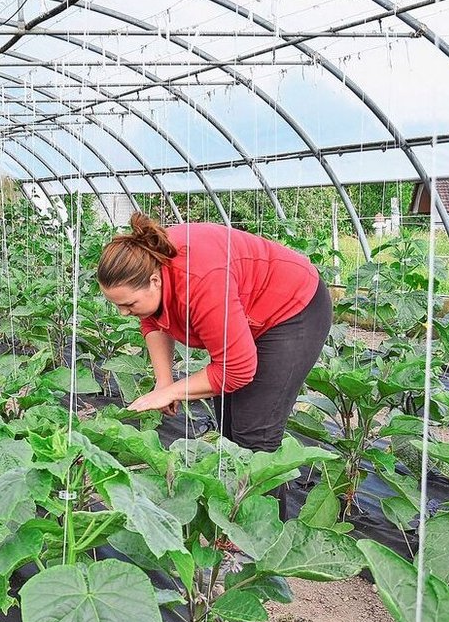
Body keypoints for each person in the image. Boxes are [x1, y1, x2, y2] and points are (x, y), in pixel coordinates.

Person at [96, 212, 333, 514]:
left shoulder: (200, 280)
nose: (124, 314)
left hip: (291, 308)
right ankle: (231, 522)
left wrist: (171, 393)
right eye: (117, 305)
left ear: (155, 280)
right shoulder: (149, 264)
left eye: (128, 304)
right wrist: (164, 381)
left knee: (255, 437)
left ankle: (262, 540)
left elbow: (236, 369)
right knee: (229, 430)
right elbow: (152, 320)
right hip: (244, 310)